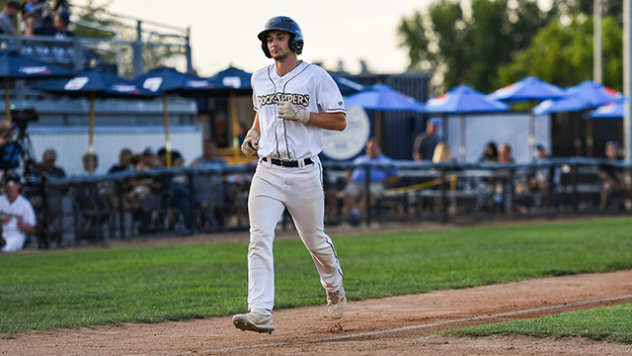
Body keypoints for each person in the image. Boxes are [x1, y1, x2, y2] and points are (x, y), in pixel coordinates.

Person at [232, 16, 348, 334]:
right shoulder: (259, 78)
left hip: (304, 172)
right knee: (259, 238)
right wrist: (252, 135)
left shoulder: (315, 77)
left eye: (280, 37)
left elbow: (339, 121)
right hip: (267, 170)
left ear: (294, 42)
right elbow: (261, 117)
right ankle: (260, 311)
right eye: (269, 39)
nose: (274, 43)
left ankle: (333, 283)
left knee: (315, 242)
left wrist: (305, 115)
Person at [343, 138, 399, 226]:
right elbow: (348, 171)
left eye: (373, 148)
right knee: (348, 193)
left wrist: (385, 182)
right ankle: (355, 217)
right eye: (369, 148)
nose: (371, 150)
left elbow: (395, 176)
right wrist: (350, 180)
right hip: (357, 184)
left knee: (371, 193)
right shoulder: (360, 159)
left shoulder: (386, 161)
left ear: (379, 149)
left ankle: (355, 215)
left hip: (376, 184)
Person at [0, 173, 36, 252]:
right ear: (5, 186)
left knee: (6, 247)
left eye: (13, 184)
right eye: (8, 184)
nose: (11, 187)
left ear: (19, 185)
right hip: (2, 232)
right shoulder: (1, 200)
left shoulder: (25, 203)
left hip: (16, 233)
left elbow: (32, 228)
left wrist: (22, 227)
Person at [598, 141, 630, 210]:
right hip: (606, 182)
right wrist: (612, 182)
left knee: (629, 188)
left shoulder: (620, 160)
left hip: (617, 183)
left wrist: (622, 182)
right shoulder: (604, 160)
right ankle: (604, 208)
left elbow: (623, 173)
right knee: (607, 186)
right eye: (611, 149)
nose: (613, 151)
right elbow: (602, 174)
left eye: (615, 149)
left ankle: (621, 205)